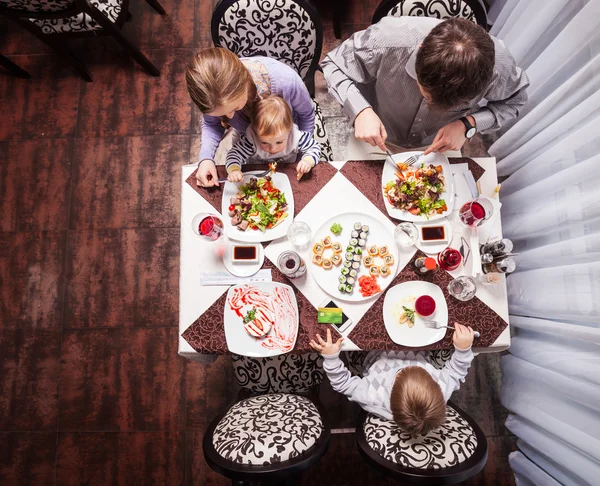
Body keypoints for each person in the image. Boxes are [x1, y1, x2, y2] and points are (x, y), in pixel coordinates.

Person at [321, 17, 529, 157]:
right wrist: (360, 111)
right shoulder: (385, 39)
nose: (430, 104)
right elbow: (333, 64)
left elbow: (516, 101)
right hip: (375, 132)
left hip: (441, 143)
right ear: (420, 51)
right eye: (425, 93)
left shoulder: (499, 68)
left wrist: (468, 124)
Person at [310, 324, 475, 435]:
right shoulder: (441, 390)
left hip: (374, 352)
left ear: (390, 391)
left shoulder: (372, 397)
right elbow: (456, 372)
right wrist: (463, 349)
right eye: (423, 372)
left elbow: (343, 384)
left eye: (401, 373)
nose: (406, 365)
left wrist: (331, 358)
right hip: (417, 346)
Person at [186, 48, 316, 187]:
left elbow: (306, 115)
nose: (230, 117)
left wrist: (303, 158)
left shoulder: (286, 81)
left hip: (286, 135)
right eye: (221, 115)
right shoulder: (212, 94)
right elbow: (212, 124)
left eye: (235, 108)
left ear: (245, 86)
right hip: (250, 144)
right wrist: (206, 158)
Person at [226, 96, 320, 182]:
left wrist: (307, 161)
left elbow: (314, 147)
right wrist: (234, 170)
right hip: (257, 176)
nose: (272, 148)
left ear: (289, 130)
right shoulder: (252, 140)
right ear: (255, 132)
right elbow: (234, 154)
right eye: (264, 142)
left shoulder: (295, 137)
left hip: (286, 175)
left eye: (279, 142)